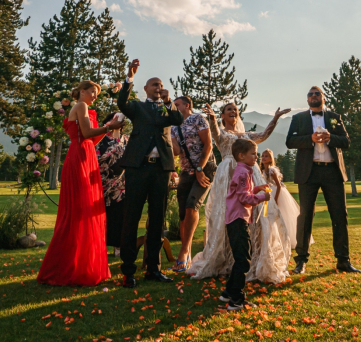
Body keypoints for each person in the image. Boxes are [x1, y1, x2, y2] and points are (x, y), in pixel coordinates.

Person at [186, 102, 291, 284]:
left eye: (235, 109)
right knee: (229, 215)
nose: (233, 112)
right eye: (229, 110)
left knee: (257, 216)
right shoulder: (221, 133)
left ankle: (251, 259)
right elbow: (216, 136)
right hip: (227, 174)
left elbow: (264, 135)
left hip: (251, 174)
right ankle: (228, 260)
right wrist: (211, 119)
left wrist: (275, 118)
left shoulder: (246, 136)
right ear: (223, 116)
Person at [38, 81, 124, 286]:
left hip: (87, 157)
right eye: (92, 92)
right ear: (82, 91)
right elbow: (85, 134)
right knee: (79, 211)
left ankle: (82, 264)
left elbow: (91, 140)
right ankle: (69, 266)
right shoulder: (80, 106)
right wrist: (109, 126)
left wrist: (106, 130)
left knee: (83, 212)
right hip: (79, 160)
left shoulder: (86, 109)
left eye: (96, 93)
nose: (95, 96)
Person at [117, 59, 183, 288]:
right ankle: (128, 271)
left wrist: (168, 101)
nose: (158, 87)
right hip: (138, 167)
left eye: (161, 85)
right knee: (131, 217)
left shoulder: (167, 109)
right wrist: (130, 77)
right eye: (154, 85)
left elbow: (178, 120)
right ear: (145, 89)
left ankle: (153, 269)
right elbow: (122, 102)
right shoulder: (137, 107)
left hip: (161, 169)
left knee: (158, 219)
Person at [286, 86, 359, 274]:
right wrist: (310, 139)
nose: (313, 96)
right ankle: (301, 261)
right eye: (310, 94)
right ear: (307, 99)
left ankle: (343, 260)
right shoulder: (298, 118)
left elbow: (346, 141)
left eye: (316, 93)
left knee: (340, 215)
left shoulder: (335, 117)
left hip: (332, 172)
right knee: (305, 215)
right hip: (308, 172)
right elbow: (290, 142)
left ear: (323, 98)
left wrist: (330, 138)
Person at [218, 138, 271, 311]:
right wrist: (263, 197)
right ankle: (236, 300)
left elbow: (245, 192)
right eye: (253, 154)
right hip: (237, 220)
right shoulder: (242, 173)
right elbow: (243, 198)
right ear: (241, 156)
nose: (256, 156)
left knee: (241, 258)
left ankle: (227, 292)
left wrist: (257, 189)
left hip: (238, 219)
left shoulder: (244, 171)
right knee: (243, 260)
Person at [170, 96, 216, 272]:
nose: (174, 107)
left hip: (205, 169)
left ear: (186, 105)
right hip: (186, 171)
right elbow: (176, 151)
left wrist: (199, 169)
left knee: (192, 205)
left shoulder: (197, 119)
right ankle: (187, 252)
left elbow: (208, 145)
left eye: (177, 105)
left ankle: (182, 252)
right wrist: (168, 131)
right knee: (183, 214)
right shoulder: (173, 126)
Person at [260, 148, 313, 249]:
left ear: (271, 159)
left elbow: (278, 185)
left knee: (280, 215)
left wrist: (275, 199)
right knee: (267, 215)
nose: (263, 158)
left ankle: (286, 238)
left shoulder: (272, 170)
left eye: (266, 156)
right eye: (262, 156)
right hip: (268, 192)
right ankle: (270, 238)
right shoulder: (263, 170)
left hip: (276, 192)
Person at [95, 112, 128, 256]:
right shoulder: (100, 140)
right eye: (113, 120)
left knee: (119, 216)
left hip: (121, 185)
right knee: (100, 217)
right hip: (100, 183)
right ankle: (98, 245)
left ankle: (118, 246)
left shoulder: (126, 140)